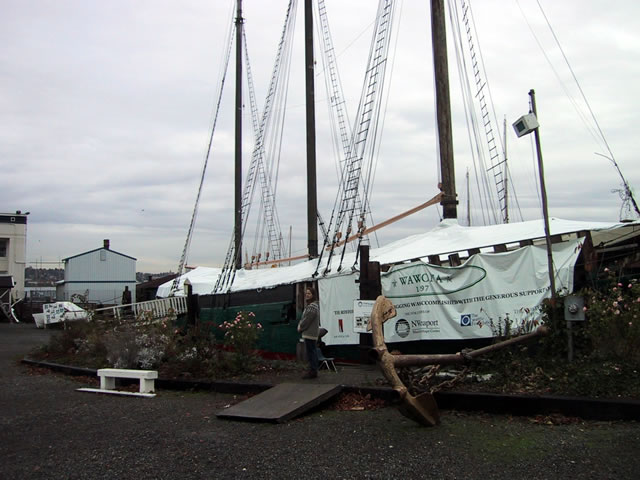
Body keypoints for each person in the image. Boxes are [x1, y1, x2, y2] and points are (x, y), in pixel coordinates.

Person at [297, 286, 320, 379]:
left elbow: (307, 320)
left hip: (310, 333)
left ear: (313, 295)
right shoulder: (311, 306)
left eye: (309, 293)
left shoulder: (312, 307)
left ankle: (313, 371)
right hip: (310, 333)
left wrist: (300, 327)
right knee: (312, 351)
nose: (307, 295)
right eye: (306, 293)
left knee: (311, 352)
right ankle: (313, 370)